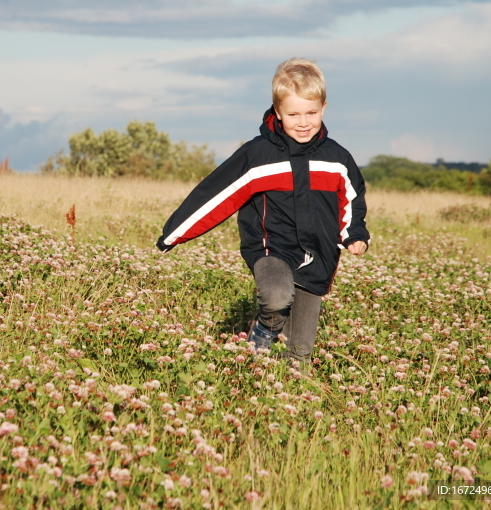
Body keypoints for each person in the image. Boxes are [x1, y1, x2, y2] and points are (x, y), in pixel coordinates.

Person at [156, 58, 369, 368]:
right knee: (276, 297)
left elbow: (352, 197)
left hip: (320, 256)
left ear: (324, 108)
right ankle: (262, 335)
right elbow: (217, 194)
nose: (303, 122)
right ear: (277, 112)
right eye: (293, 114)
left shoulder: (337, 157)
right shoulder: (259, 154)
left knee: (299, 355)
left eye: (311, 112)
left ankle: (286, 395)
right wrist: (174, 234)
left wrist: (355, 234)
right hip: (272, 249)